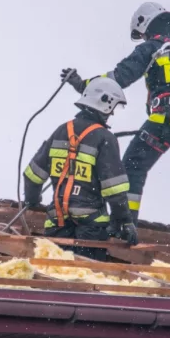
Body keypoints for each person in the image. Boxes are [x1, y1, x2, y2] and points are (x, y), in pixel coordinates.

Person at [61, 2, 170, 249]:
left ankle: (124, 225)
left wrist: (81, 84)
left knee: (132, 167)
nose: (144, 39)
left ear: (147, 26)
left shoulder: (152, 48)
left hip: (164, 122)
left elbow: (119, 78)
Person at [22, 77, 137, 260]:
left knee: (55, 275)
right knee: (87, 277)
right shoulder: (104, 138)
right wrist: (124, 221)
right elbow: (114, 189)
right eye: (113, 108)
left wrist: (32, 200)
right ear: (105, 103)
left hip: (56, 225)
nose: (112, 114)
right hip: (91, 232)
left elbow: (32, 176)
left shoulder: (60, 131)